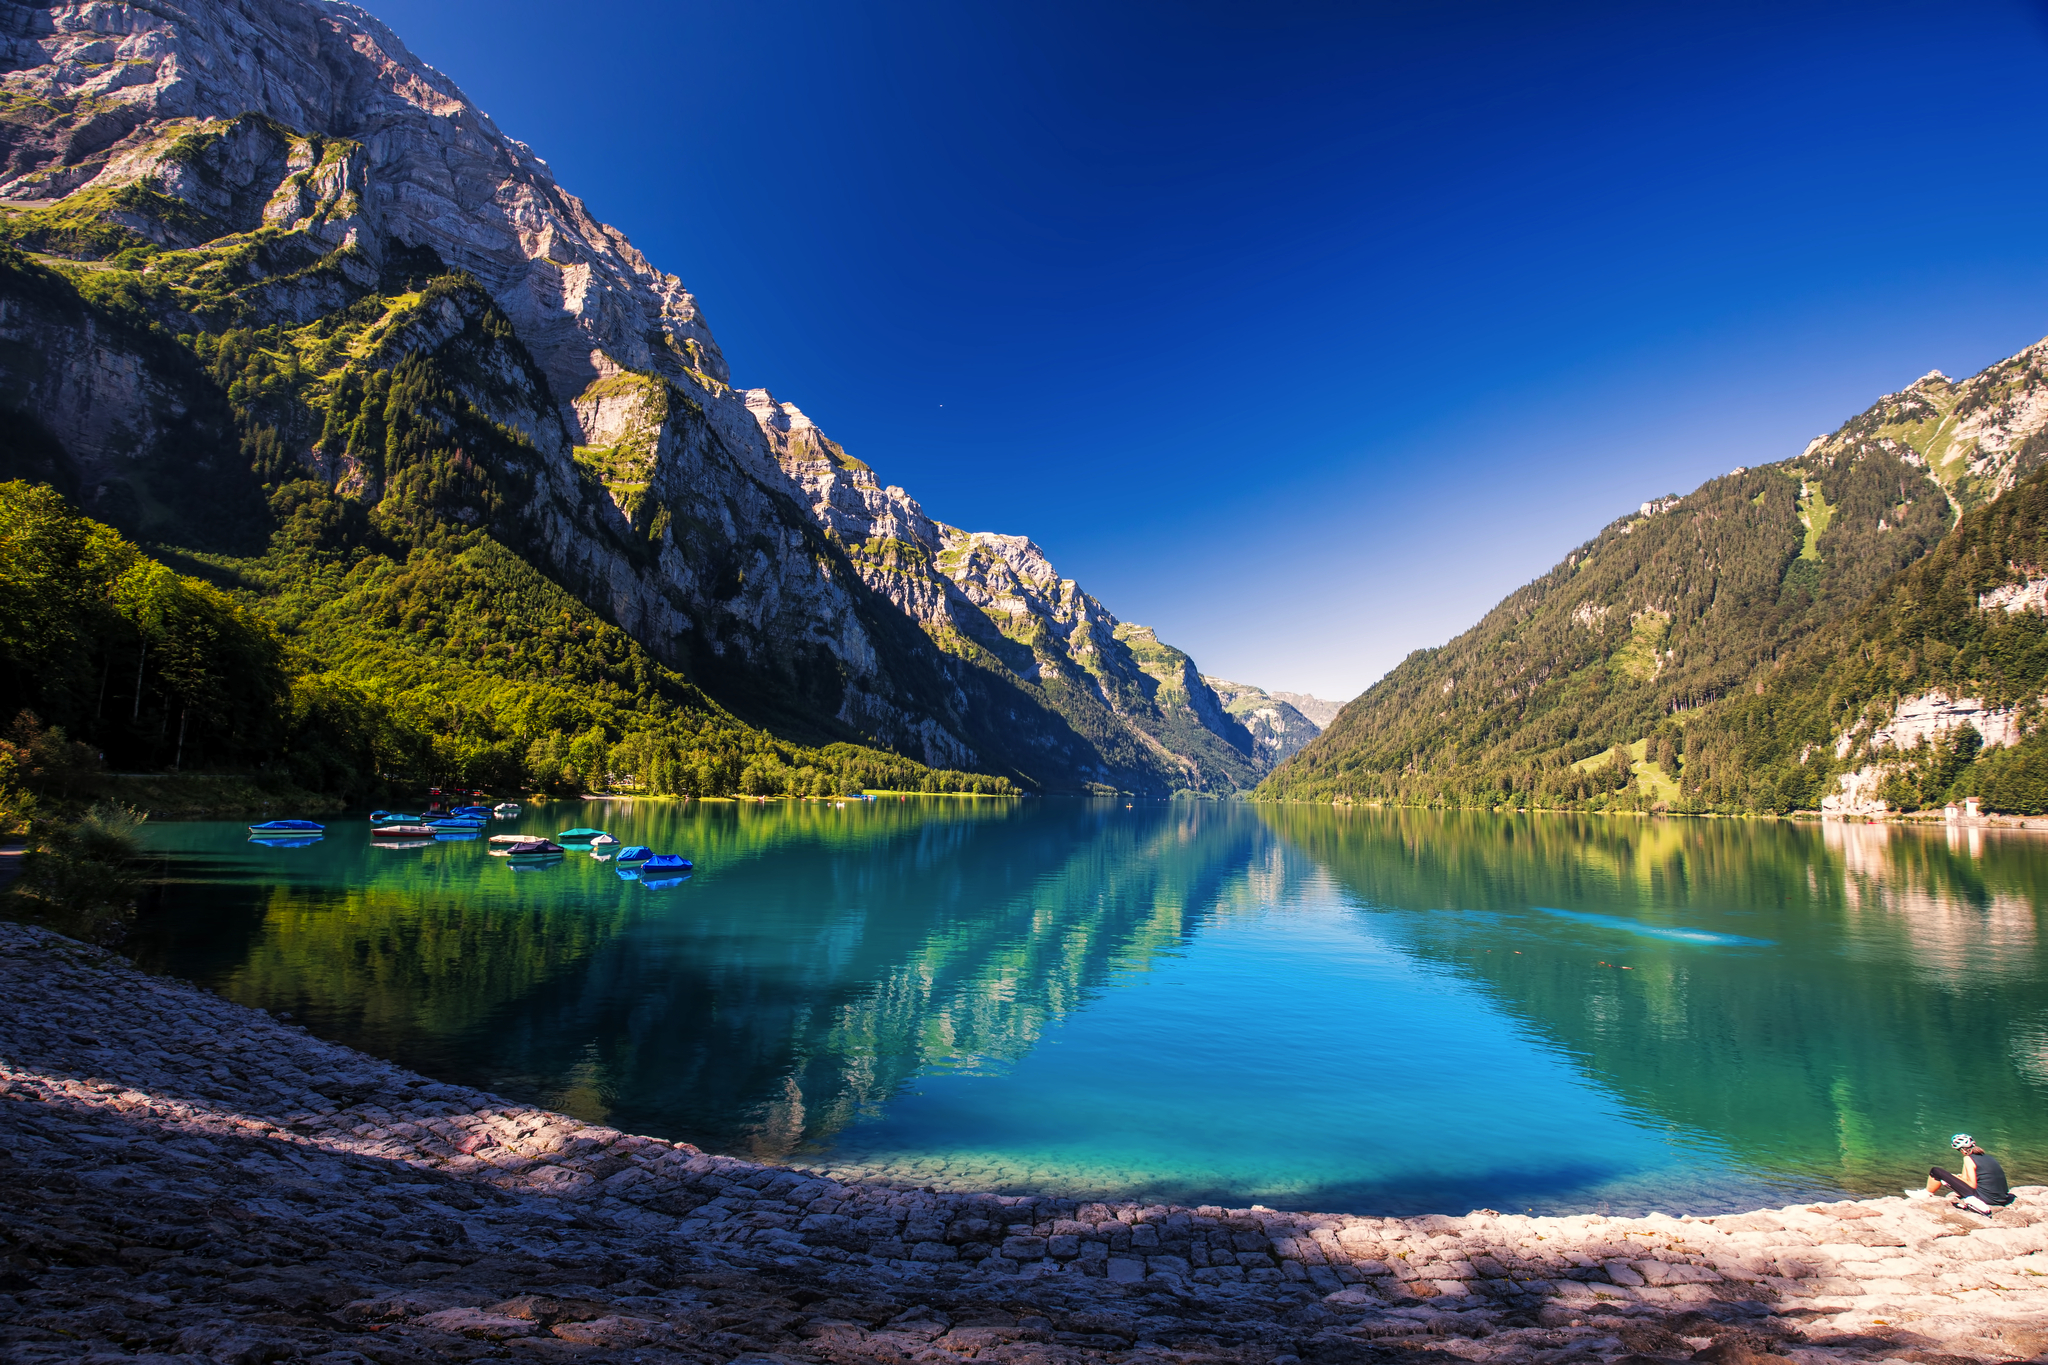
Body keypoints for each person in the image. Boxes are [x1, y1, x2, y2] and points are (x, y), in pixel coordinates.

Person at [1927, 1133, 2015, 1213]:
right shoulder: (1989, 1158)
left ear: (1963, 1150)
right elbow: (1967, 1178)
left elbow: (1972, 1185)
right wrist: (1955, 1178)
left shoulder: (1968, 1159)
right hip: (2001, 1198)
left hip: (1987, 1199)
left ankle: (1927, 1193)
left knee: (1936, 1171)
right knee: (1950, 1177)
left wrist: (1950, 1178)